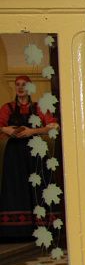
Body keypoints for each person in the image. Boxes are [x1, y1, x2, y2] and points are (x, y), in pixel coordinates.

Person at [0, 75, 59, 239]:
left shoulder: (39, 107)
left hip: (36, 154)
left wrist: (32, 131)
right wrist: (7, 130)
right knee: (16, 188)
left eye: (24, 85)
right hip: (14, 157)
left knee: (38, 188)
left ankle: (43, 228)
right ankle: (17, 231)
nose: (20, 88)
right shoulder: (8, 108)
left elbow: (53, 126)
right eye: (17, 85)